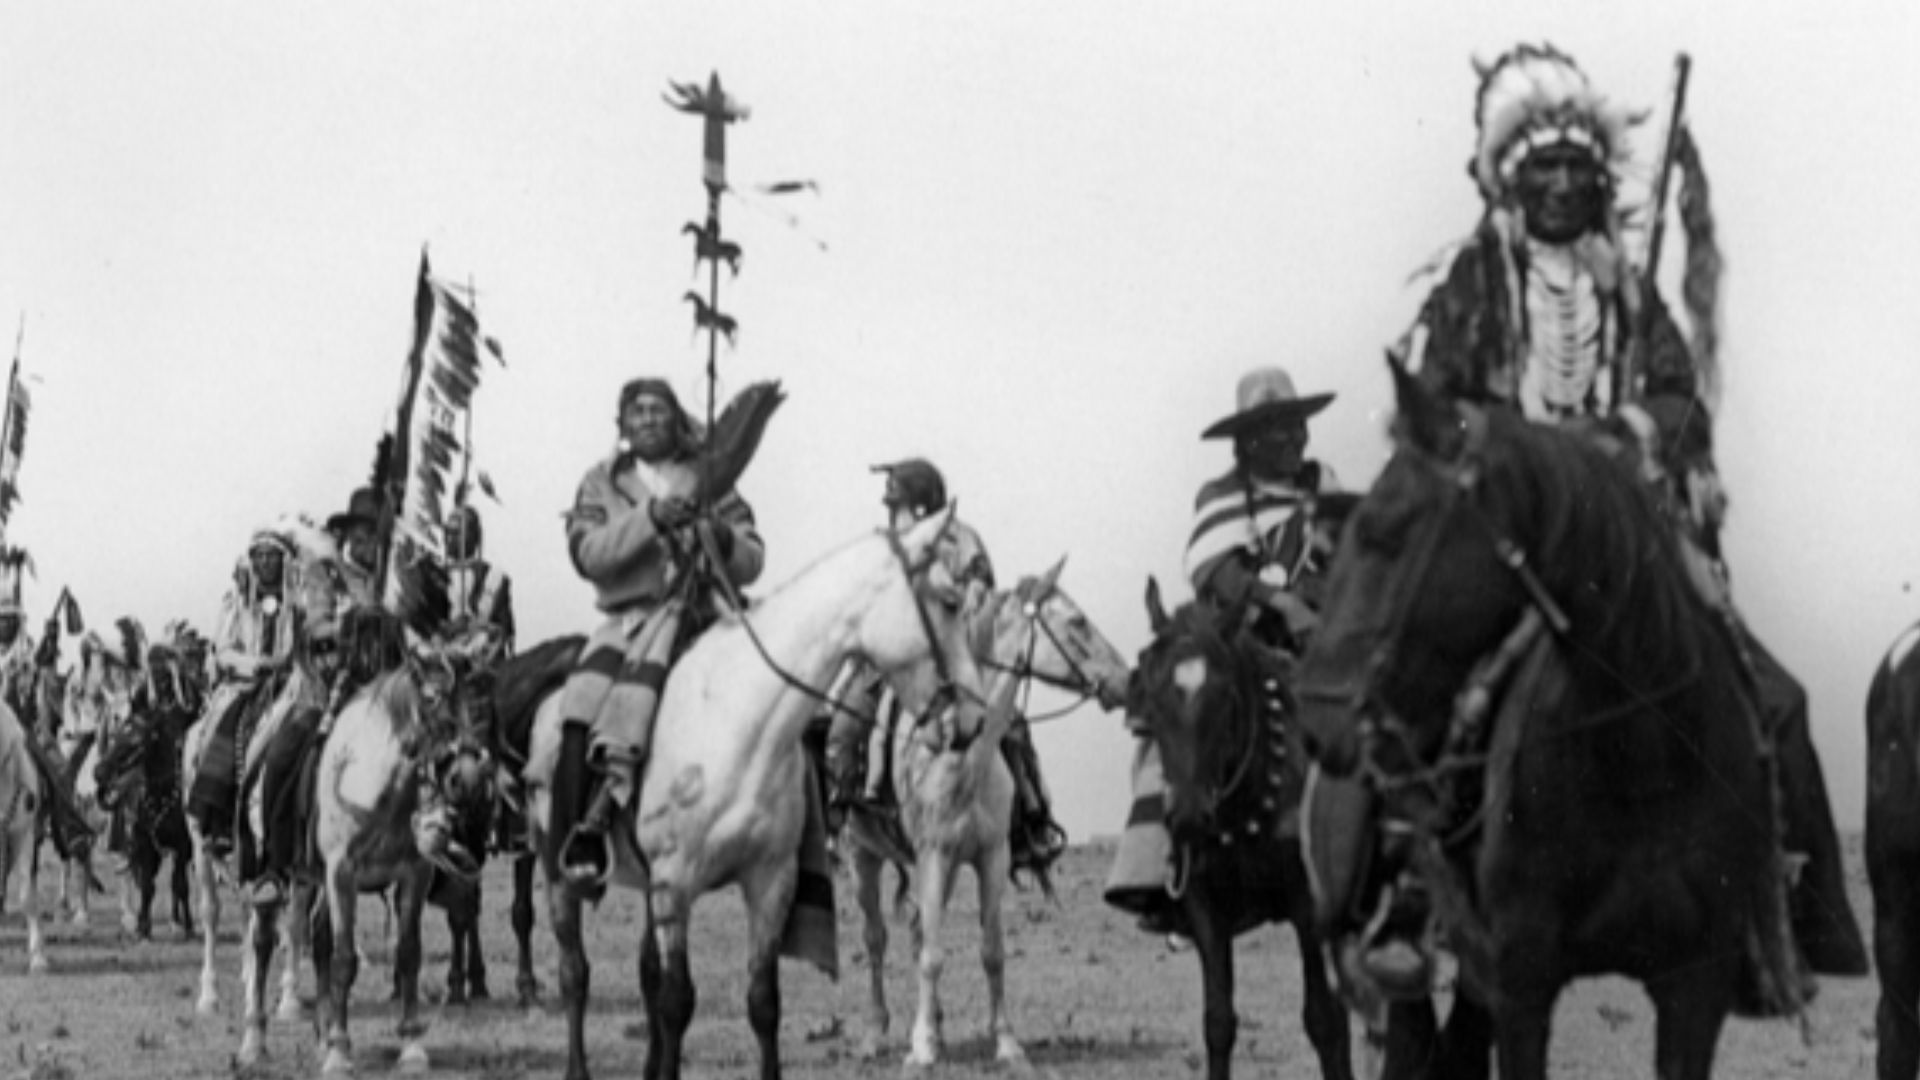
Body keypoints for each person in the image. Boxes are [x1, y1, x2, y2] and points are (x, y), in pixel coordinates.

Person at [1375, 41, 1865, 978]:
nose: (1562, 186)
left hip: (1629, 546)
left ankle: (1784, 909)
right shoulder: (1474, 288)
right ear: (1513, 184)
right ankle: (1403, 901)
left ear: (1599, 184)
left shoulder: (1632, 297)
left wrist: (1625, 438)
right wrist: (1513, 456)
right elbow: (1434, 406)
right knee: (1415, 690)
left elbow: (1684, 406)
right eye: (1544, 169)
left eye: (1577, 169)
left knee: (1776, 702)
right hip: (1511, 540)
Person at [551, 377, 765, 892]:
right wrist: (648, 519)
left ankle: (793, 845)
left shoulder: (713, 478)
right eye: (637, 411)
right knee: (580, 708)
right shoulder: (601, 482)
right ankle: (582, 836)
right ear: (623, 424)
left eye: (658, 410)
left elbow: (754, 557)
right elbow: (588, 554)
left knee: (777, 700)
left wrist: (721, 538)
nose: (648, 419)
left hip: (707, 613)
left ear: (676, 419)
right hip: (631, 621)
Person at [1185, 366, 1340, 653]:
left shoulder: (1319, 480)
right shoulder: (1220, 495)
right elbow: (1222, 576)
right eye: (1282, 429)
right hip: (1259, 645)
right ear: (1250, 441)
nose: (1296, 438)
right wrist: (1287, 604)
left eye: (1299, 425)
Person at [185, 528, 299, 862]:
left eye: (272, 556)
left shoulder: (298, 600)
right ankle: (220, 816)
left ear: (283, 561)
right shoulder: (237, 600)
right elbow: (223, 649)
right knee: (227, 724)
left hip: (291, 683)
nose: (265, 563)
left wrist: (286, 664)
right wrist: (255, 664)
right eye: (259, 556)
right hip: (247, 683)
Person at [246, 614, 345, 906]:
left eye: (332, 649)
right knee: (278, 758)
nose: (329, 657)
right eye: (322, 650)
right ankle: (273, 864)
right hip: (309, 704)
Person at [443, 503, 515, 662]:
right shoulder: (436, 574)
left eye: (456, 534)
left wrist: (471, 626)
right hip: (440, 653)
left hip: (481, 658)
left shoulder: (494, 577)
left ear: (472, 536)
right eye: (447, 532)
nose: (449, 539)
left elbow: (504, 630)